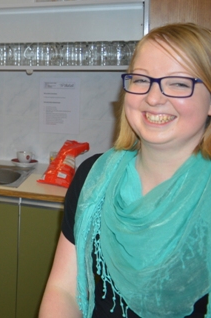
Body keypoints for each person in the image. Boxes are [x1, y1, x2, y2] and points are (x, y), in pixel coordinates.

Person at [40, 23, 211, 318]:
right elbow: (63, 291)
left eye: (179, 83)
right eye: (141, 79)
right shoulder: (94, 177)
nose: (153, 98)